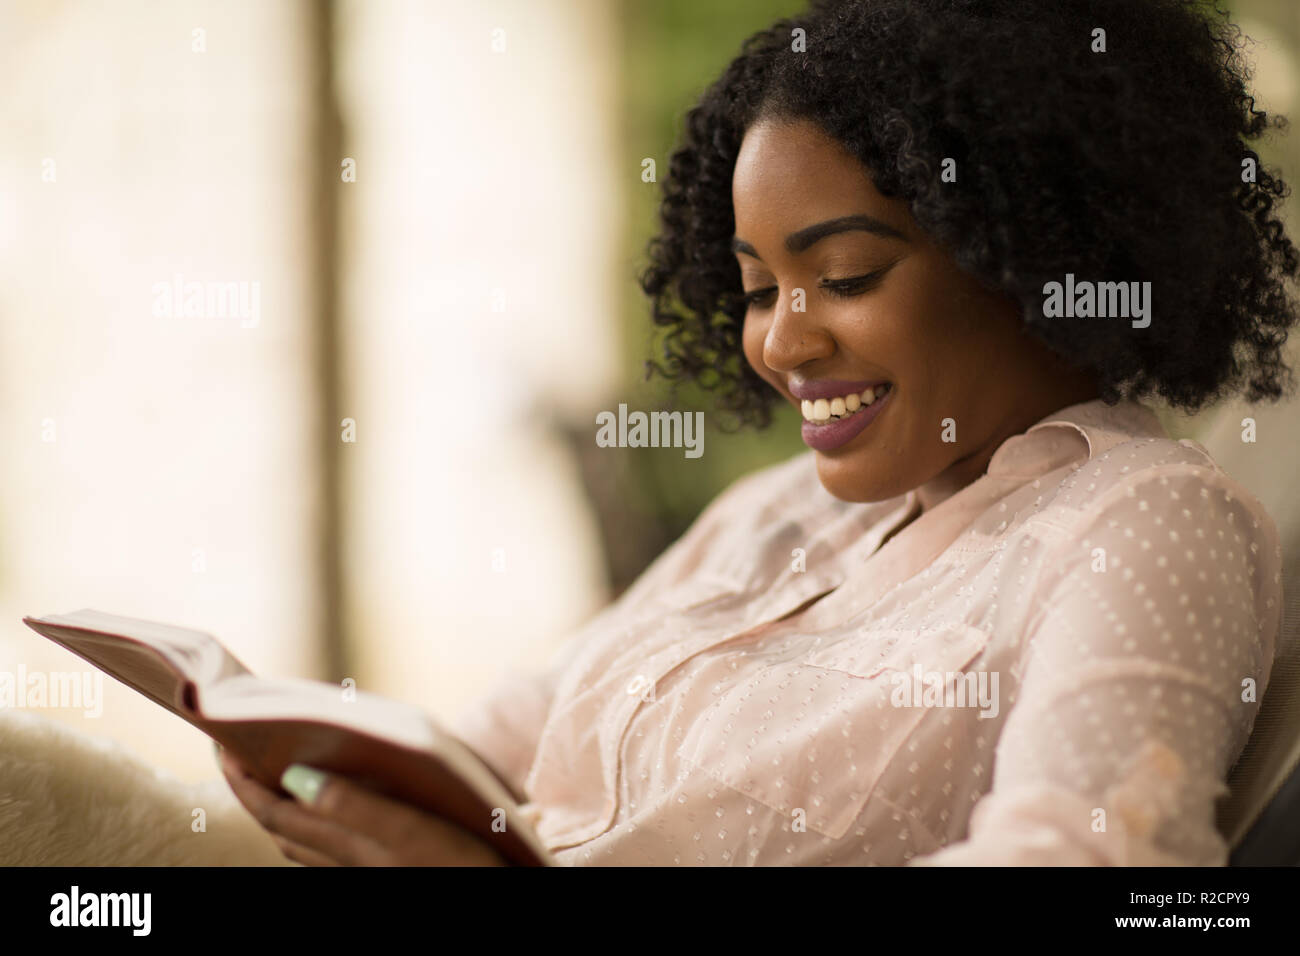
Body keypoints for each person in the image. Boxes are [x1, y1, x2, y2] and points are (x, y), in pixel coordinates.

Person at [221, 0, 1299, 865]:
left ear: (1033, 253)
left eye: (842, 277)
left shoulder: (1143, 519)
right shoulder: (769, 512)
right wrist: (320, 770)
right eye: (753, 287)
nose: (780, 343)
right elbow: (494, 742)